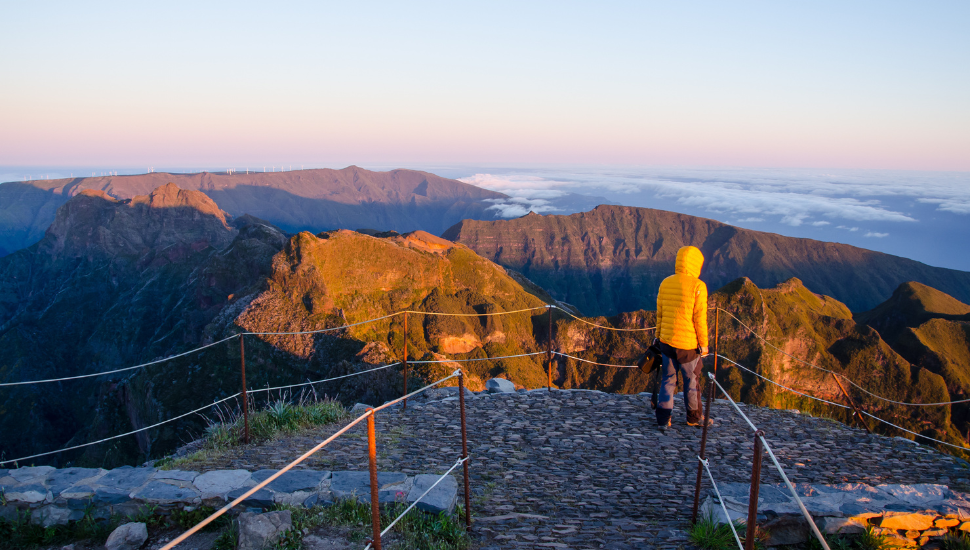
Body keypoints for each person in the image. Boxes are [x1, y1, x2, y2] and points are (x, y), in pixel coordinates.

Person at [655, 245, 711, 430]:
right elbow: (699, 319)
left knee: (668, 380)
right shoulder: (698, 286)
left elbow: (660, 314)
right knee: (691, 381)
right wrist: (704, 345)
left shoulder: (665, 283)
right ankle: (693, 418)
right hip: (687, 346)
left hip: (666, 342)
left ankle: (663, 419)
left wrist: (658, 337)